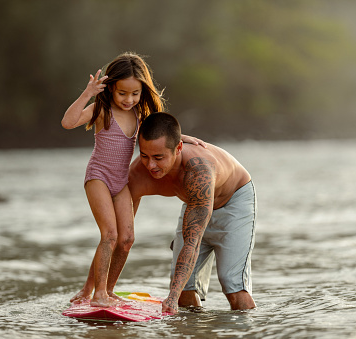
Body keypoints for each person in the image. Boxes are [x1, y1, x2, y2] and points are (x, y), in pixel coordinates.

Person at [61, 52, 202, 307]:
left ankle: (107, 289)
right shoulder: (102, 110)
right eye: (122, 93)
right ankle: (97, 293)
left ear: (142, 92)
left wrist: (186, 139)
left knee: (126, 240)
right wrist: (88, 94)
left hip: (121, 183)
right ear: (111, 88)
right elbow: (67, 122)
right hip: (99, 178)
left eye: (134, 93)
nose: (128, 99)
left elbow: (163, 132)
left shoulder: (140, 114)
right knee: (110, 235)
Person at [128, 112, 257, 314]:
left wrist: (169, 298)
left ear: (178, 148)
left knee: (232, 284)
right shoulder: (139, 172)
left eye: (158, 158)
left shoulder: (198, 174)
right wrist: (100, 289)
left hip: (234, 202)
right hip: (196, 203)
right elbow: (120, 235)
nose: (150, 165)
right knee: (183, 290)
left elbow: (192, 243)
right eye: (145, 156)